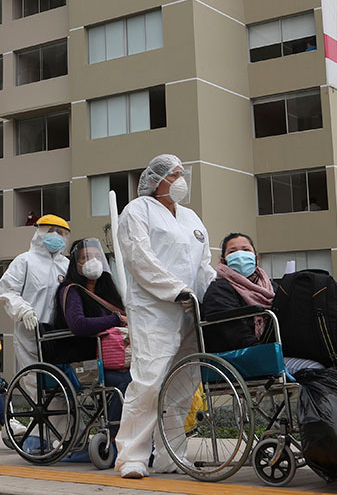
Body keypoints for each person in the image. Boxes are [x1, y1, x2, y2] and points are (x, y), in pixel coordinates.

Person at [114, 154, 216, 479]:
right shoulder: (137, 211)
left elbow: (204, 265)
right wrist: (175, 289)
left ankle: (171, 454)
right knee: (149, 381)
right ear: (156, 180)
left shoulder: (192, 218)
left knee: (184, 383)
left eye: (182, 173)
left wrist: (218, 294)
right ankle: (132, 456)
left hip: (193, 311)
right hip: (155, 310)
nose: (180, 180)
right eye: (174, 174)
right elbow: (138, 257)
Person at [201, 233, 324, 375]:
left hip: (266, 352)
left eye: (246, 250)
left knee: (331, 369)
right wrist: (265, 354)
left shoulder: (271, 287)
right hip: (237, 356)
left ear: (256, 258)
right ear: (223, 261)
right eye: (233, 251)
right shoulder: (219, 290)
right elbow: (234, 332)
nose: (240, 255)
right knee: (316, 372)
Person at [53, 239, 131, 443]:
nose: (93, 261)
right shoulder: (71, 291)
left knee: (142, 379)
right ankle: (114, 437)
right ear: (75, 263)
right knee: (124, 382)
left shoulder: (109, 292)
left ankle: (135, 436)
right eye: (86, 257)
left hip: (113, 359)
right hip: (82, 360)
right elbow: (78, 325)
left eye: (97, 257)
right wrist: (114, 320)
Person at [0, 215, 71, 376]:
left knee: (61, 377)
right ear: (40, 233)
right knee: (35, 377)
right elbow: (7, 291)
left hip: (60, 330)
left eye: (60, 232)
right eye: (51, 231)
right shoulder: (25, 261)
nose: (56, 235)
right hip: (31, 331)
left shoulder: (66, 265)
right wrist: (23, 310)